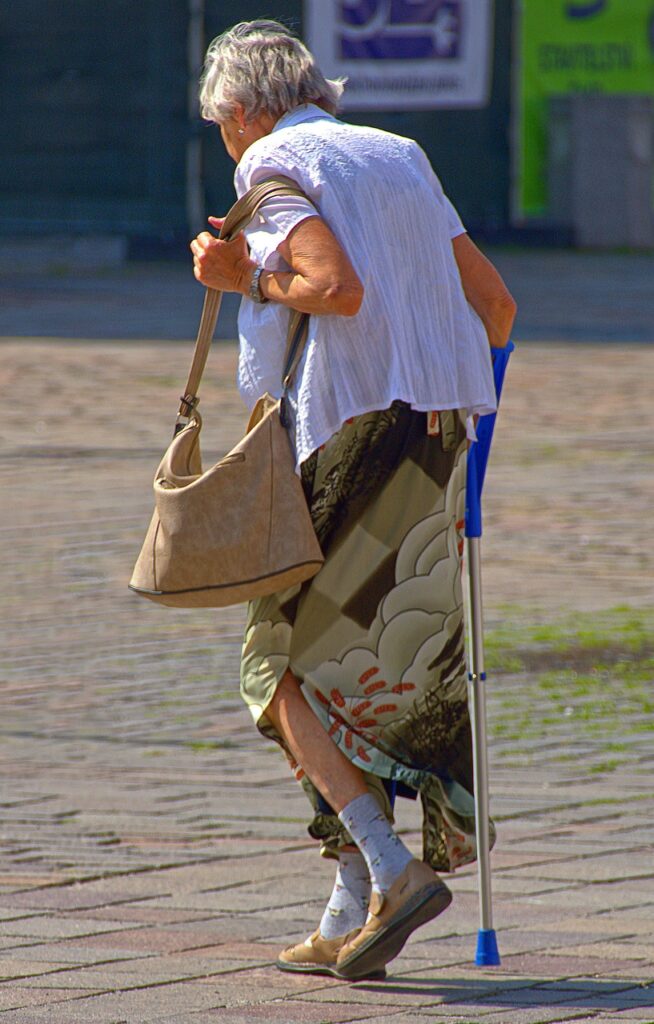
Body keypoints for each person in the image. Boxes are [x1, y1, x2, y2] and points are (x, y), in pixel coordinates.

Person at [190, 19, 516, 981]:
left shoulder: (274, 165)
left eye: (219, 123)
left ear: (241, 110)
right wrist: (475, 448)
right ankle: (349, 905)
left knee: (274, 663)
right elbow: (497, 307)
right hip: (436, 429)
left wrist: (241, 275)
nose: (224, 139)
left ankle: (389, 864)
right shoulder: (399, 152)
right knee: (358, 659)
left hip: (347, 429)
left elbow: (333, 289)